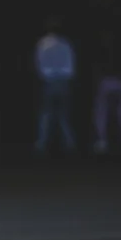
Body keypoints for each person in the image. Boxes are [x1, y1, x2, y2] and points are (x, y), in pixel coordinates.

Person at [33, 16, 77, 154]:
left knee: (46, 113)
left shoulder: (42, 43)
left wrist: (44, 76)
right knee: (63, 114)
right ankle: (69, 142)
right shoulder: (66, 43)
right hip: (63, 80)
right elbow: (71, 65)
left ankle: (42, 142)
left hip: (49, 81)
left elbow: (39, 63)